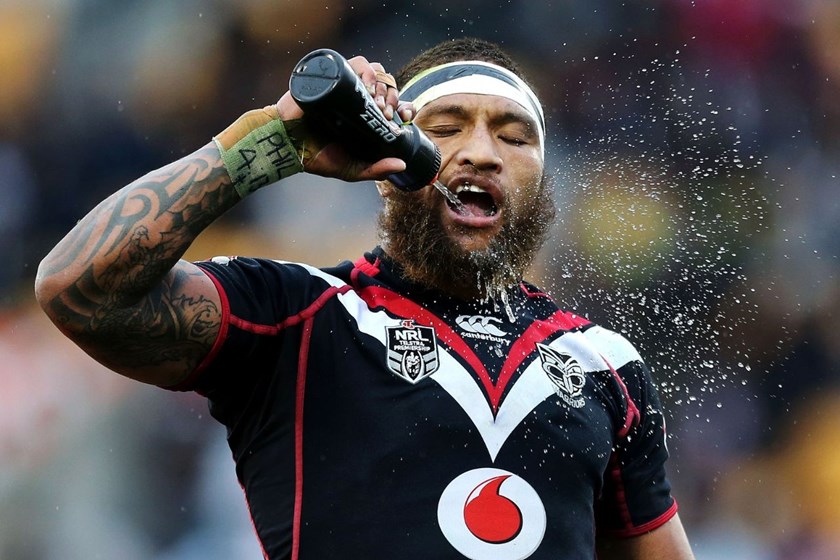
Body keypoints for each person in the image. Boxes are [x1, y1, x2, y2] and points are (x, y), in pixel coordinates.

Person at [34, 37, 694, 560]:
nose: (483, 152)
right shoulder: (299, 313)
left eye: (514, 135)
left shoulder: (607, 366)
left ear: (543, 182)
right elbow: (81, 287)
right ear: (388, 167)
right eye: (448, 125)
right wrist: (274, 142)